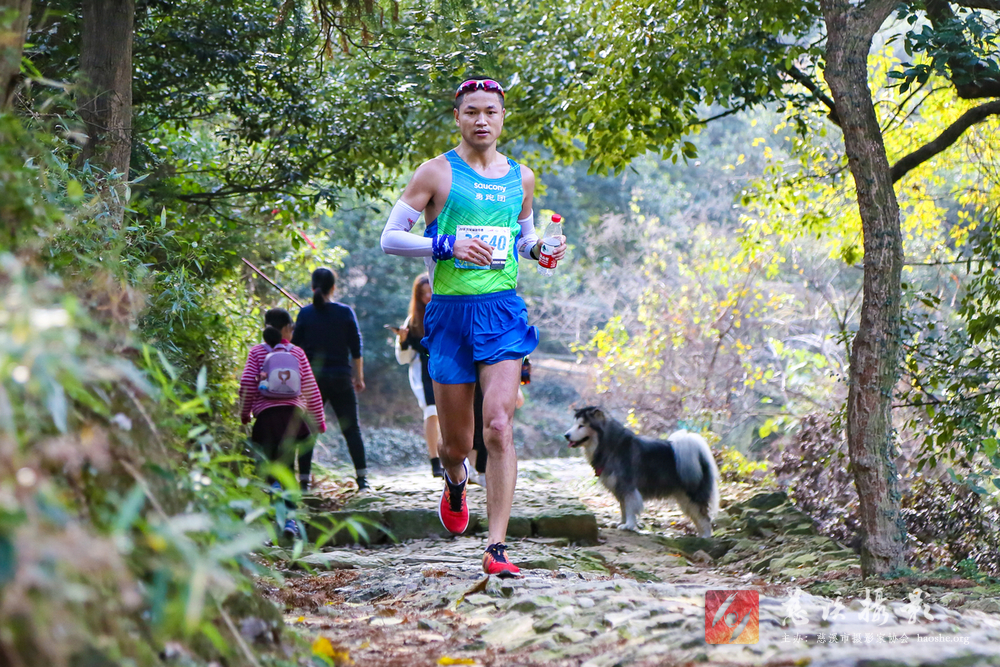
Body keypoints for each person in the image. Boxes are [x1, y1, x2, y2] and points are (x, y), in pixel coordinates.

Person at [380, 76, 567, 577]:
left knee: (499, 427)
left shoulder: (521, 178)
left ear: (503, 117)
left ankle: (497, 547)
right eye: (472, 112)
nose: (482, 120)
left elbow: (523, 240)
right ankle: (456, 479)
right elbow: (390, 238)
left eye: (491, 111)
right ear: (458, 117)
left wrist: (542, 250)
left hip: (502, 311)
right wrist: (445, 245)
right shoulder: (436, 173)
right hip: (449, 316)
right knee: (455, 445)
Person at [239, 307, 326, 538]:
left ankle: (275, 501)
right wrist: (319, 421)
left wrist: (245, 413)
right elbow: (311, 388)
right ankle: (290, 522)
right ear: (287, 329)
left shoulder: (257, 352)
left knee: (269, 467)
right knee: (288, 469)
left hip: (266, 420)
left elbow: (247, 383)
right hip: (293, 420)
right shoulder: (297, 353)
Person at [291, 268, 371, 491]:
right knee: (352, 429)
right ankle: (362, 480)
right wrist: (359, 377)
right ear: (333, 287)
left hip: (312, 381)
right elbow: (356, 348)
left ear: (312, 287)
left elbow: (295, 347)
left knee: (308, 430)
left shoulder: (305, 314)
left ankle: (304, 482)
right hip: (341, 378)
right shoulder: (345, 312)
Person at [391, 273, 444, 478]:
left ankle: (451, 457)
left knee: (449, 414)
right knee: (431, 413)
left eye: (430, 291)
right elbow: (404, 358)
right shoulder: (413, 321)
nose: (428, 296)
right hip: (424, 374)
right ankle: (435, 460)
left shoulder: (447, 311)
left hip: (447, 369)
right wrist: (403, 340)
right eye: (423, 293)